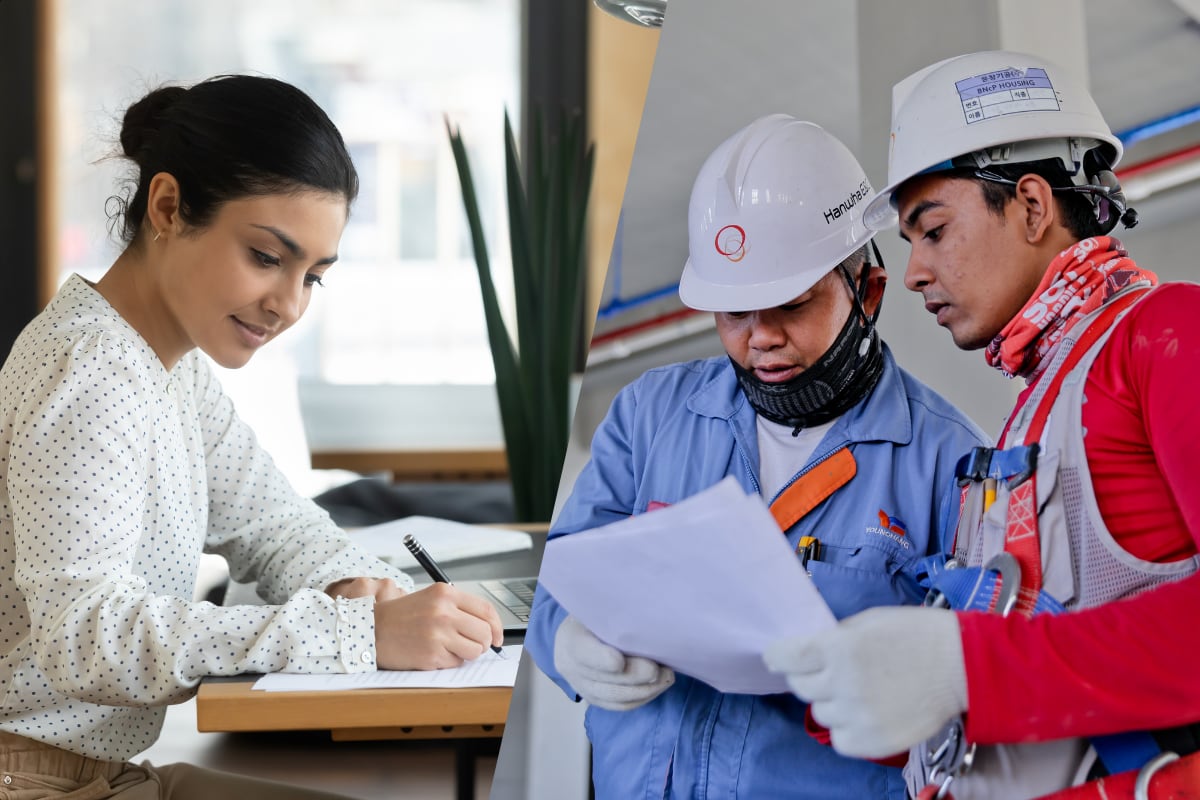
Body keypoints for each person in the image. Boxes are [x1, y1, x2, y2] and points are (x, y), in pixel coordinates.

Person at [0, 74, 503, 799]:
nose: (289, 305)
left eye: (313, 277)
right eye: (267, 258)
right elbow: (86, 637)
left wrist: (363, 588)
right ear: (168, 208)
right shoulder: (90, 370)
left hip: (103, 778)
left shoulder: (170, 368)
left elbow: (273, 523)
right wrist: (358, 634)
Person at [764, 50, 1200, 800]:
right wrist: (864, 686)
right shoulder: (1034, 415)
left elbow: (1004, 669)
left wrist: (966, 667)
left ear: (1031, 205)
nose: (913, 274)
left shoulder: (1169, 335)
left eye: (932, 231)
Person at [524, 114, 988, 799]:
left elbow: (977, 684)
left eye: (791, 306)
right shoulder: (649, 417)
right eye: (734, 312)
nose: (760, 338)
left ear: (869, 291)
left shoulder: (950, 463)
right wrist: (567, 641)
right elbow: (561, 578)